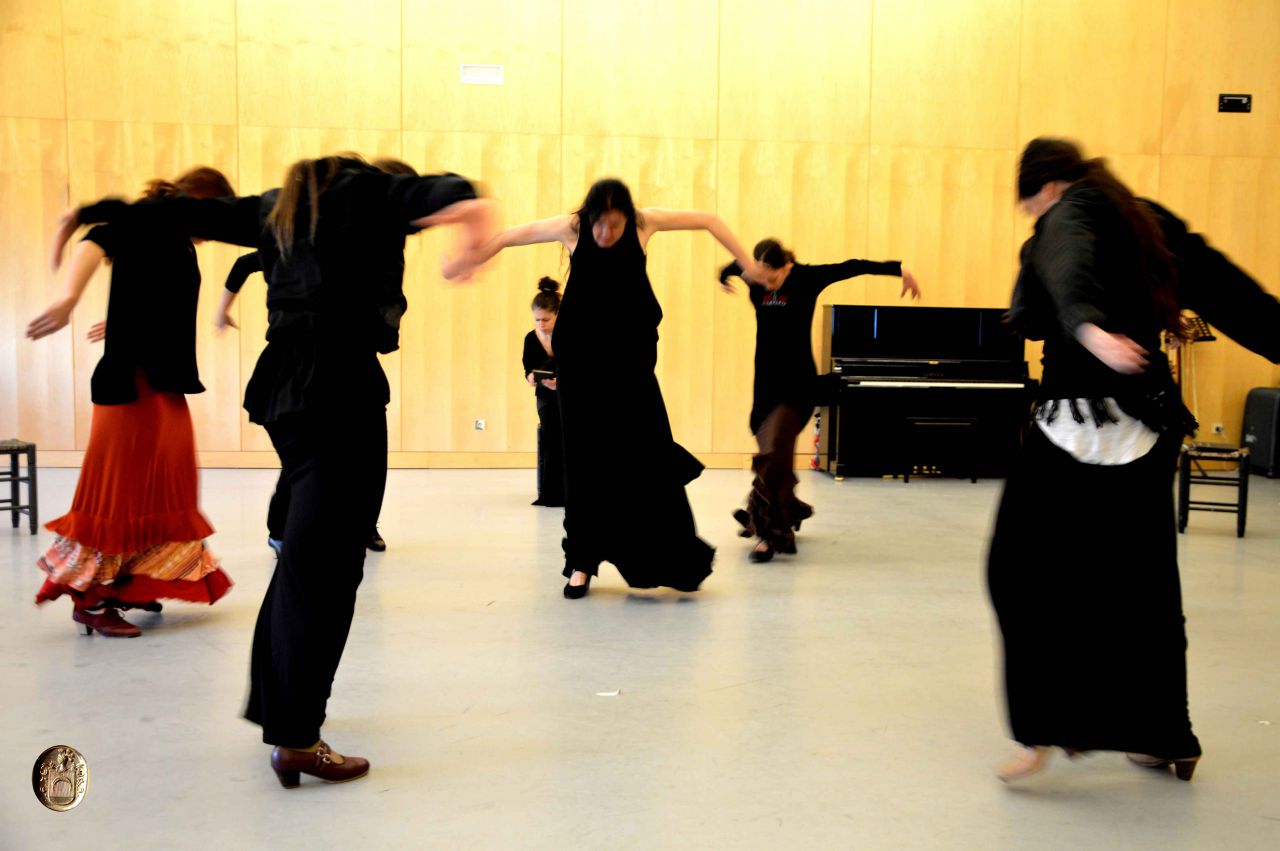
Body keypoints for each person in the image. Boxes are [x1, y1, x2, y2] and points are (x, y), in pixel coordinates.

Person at [54, 154, 494, 785]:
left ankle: (286, 714)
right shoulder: (371, 196)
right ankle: (295, 735)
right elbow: (461, 193)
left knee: (309, 562)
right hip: (339, 386)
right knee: (326, 569)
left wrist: (90, 213)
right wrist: (472, 235)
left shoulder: (276, 208)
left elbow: (170, 210)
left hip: (285, 386)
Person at [989, 137, 1280, 783]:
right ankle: (1166, 736)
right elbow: (1231, 290)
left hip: (1077, 424)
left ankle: (1044, 727)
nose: (1033, 217)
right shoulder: (1144, 216)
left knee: (1017, 570)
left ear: (1044, 189)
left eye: (1030, 205)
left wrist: (1089, 327)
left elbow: (1068, 263)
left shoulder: (1069, 212)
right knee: (1146, 587)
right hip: (1147, 423)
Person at [461, 178, 762, 598]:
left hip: (631, 366)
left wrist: (747, 263)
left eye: (614, 225)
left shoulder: (645, 224)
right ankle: (580, 564)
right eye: (600, 224)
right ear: (590, 217)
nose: (606, 234)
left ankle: (670, 557)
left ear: (627, 217)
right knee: (583, 462)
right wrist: (474, 257)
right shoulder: (572, 228)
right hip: (582, 366)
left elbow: (709, 219)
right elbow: (511, 235)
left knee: (650, 454)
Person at [26, 167, 237, 638]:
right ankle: (93, 599)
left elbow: (153, 290)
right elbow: (98, 239)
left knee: (167, 484)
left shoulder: (176, 237)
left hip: (160, 379)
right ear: (201, 203)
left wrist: (120, 319)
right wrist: (67, 298)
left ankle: (134, 583)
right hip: (131, 381)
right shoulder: (154, 221)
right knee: (118, 491)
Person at [720, 240, 920, 561]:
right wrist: (723, 276)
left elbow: (853, 265)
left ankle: (769, 533)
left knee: (775, 449)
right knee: (774, 453)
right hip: (765, 386)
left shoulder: (806, 278)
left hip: (798, 385)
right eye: (761, 277)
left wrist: (899, 270)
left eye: (772, 278)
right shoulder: (754, 276)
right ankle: (787, 505)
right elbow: (732, 266)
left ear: (786, 265)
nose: (766, 284)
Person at [522, 276, 565, 506]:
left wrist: (562, 382)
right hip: (547, 396)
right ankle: (552, 493)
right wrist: (531, 377)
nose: (541, 324)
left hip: (571, 395)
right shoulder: (531, 338)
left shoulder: (570, 335)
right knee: (551, 437)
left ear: (558, 314)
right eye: (537, 320)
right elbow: (528, 366)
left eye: (546, 319)